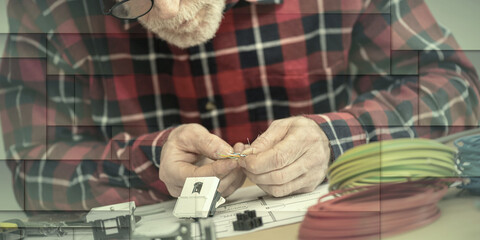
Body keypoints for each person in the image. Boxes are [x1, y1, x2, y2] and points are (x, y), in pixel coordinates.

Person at [0, 0, 479, 211]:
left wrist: (334, 139)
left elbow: (456, 86)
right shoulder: (48, 7)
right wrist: (148, 162)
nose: (168, 11)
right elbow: (32, 165)